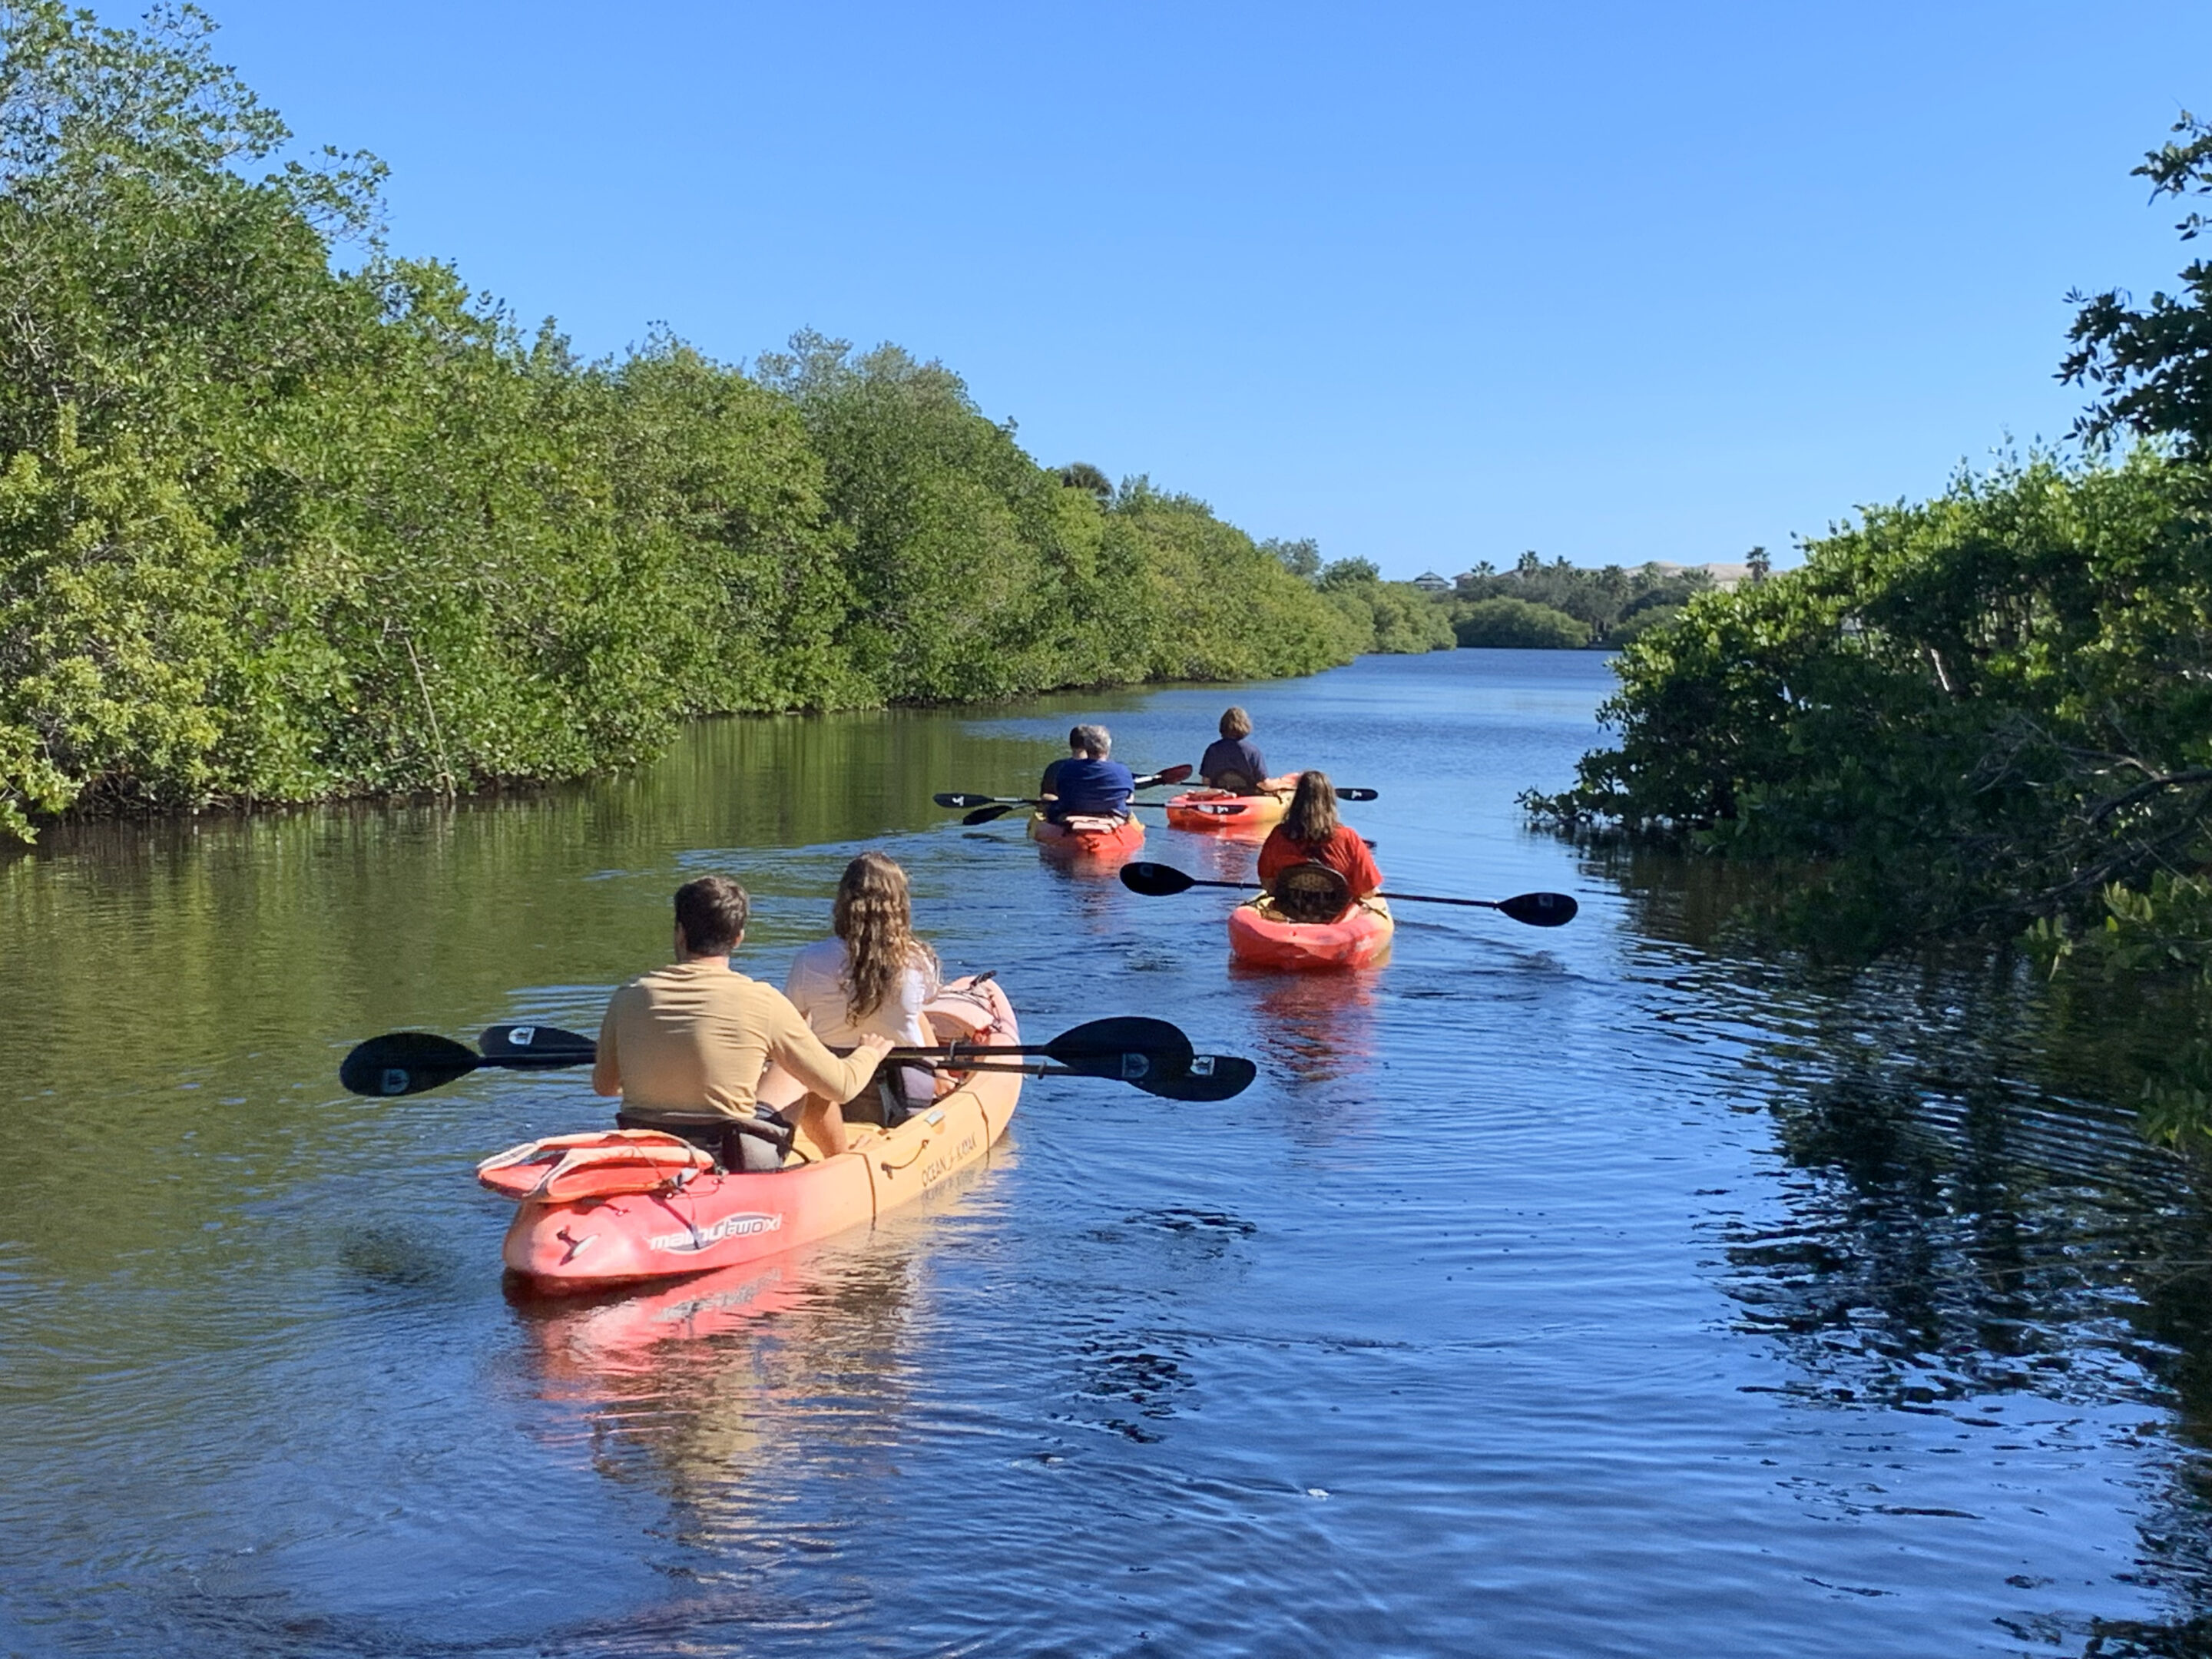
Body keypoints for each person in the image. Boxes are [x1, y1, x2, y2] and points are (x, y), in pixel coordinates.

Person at [593, 875, 893, 1162]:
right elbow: (840, 1087)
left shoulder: (628, 996)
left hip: (649, 1154)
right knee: (800, 1071)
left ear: (680, 932)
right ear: (738, 939)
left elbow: (605, 1086)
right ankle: (841, 1165)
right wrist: (869, 1052)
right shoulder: (763, 1001)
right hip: (732, 1156)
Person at [785, 853, 941, 1122]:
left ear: (843, 902)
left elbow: (790, 1031)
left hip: (837, 1090)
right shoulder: (917, 959)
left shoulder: (809, 959)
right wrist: (944, 1074)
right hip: (908, 1090)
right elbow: (916, 1015)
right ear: (899, 904)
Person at [1256, 770, 1382, 912]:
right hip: (1335, 914)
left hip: (1291, 910)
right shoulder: (1348, 837)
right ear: (1330, 802)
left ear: (1297, 800)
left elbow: (1267, 883)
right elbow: (1368, 892)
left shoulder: (1278, 835)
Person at [1038, 723, 1134, 823]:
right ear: (1108, 747)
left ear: (1087, 748)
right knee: (1129, 799)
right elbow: (1128, 797)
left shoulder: (1066, 769)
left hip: (1072, 813)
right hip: (1112, 816)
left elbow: (1060, 792)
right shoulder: (1123, 771)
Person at [1200, 707, 1270, 793]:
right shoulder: (1252, 751)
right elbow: (1264, 784)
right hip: (1246, 798)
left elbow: (1206, 781)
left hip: (1219, 797)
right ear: (1245, 725)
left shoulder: (1212, 750)